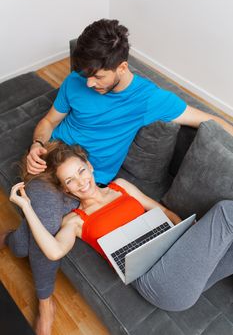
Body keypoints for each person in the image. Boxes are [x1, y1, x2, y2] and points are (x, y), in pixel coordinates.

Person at [3, 18, 233, 334]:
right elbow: (47, 121)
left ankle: (15, 242)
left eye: (97, 77)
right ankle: (45, 301)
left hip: (87, 180)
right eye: (84, 75)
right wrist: (37, 146)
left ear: (121, 67)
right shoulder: (75, 82)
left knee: (35, 230)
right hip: (52, 163)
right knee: (44, 213)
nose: (88, 84)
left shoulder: (148, 99)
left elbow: (210, 121)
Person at [9, 141, 233, 316]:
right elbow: (54, 251)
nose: (80, 181)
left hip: (182, 262)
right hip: (157, 283)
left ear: (89, 166)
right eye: (70, 181)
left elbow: (163, 212)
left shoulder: (121, 186)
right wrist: (27, 207)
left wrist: (188, 233)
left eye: (80, 171)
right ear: (66, 190)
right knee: (225, 212)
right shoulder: (75, 221)